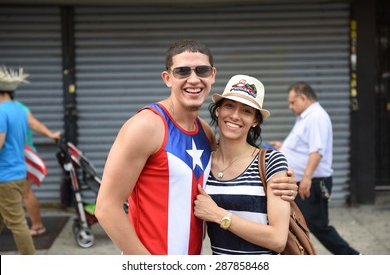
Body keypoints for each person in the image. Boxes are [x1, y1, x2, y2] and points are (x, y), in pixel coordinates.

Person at [95, 39, 298, 255]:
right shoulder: (146, 125)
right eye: (182, 71)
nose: (193, 79)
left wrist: (284, 184)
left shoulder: (205, 133)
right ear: (167, 78)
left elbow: (234, 169)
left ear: (212, 75)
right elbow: (106, 208)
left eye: (201, 70)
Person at [194, 75, 291, 255]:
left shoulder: (271, 162)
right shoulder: (204, 162)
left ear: (255, 121)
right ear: (218, 110)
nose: (235, 116)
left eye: (246, 111)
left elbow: (278, 239)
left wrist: (219, 215)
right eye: (229, 106)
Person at [270, 81, 360, 255]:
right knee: (296, 223)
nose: (290, 107)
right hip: (306, 181)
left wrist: (306, 178)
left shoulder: (316, 116)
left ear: (303, 98)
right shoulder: (306, 117)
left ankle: (353, 257)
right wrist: (283, 148)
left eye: (292, 102)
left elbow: (317, 151)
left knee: (318, 226)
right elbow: (305, 146)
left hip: (313, 183)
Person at [0, 65, 36, 254]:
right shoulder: (19, 110)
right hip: (17, 172)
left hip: (5, 176)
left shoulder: (1, 112)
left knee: (17, 223)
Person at [15, 100, 61, 236]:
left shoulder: (16, 107)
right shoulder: (16, 106)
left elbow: (33, 123)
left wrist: (50, 134)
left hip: (21, 157)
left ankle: (37, 225)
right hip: (19, 157)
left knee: (25, 191)